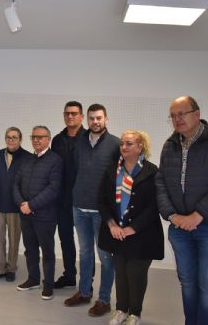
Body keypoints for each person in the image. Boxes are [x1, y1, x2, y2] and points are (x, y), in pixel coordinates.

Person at [155, 96, 208, 325]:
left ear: (197, 113)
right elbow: (160, 182)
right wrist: (172, 215)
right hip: (180, 227)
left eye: (182, 113)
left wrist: (197, 215)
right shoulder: (170, 144)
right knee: (188, 282)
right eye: (173, 115)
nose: (177, 119)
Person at [98, 131, 163, 325]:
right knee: (121, 272)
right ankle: (120, 310)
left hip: (142, 234)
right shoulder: (112, 170)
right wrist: (111, 225)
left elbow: (155, 205)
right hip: (117, 233)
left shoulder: (152, 171)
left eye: (129, 144)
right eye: (122, 144)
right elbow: (102, 201)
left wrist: (133, 228)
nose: (124, 147)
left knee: (136, 274)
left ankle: (135, 313)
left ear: (140, 146)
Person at [65, 103, 120, 317]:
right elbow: (74, 172)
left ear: (106, 119)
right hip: (79, 207)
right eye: (91, 118)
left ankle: (104, 299)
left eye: (99, 118)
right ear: (86, 120)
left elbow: (118, 178)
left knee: (106, 256)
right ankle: (84, 292)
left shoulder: (116, 144)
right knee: (85, 253)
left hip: (102, 212)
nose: (95, 122)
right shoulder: (78, 143)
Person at [13, 126, 63, 301]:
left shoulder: (55, 160)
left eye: (40, 137)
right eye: (33, 137)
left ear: (48, 139)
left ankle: (48, 285)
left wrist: (31, 205)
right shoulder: (27, 160)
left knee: (47, 252)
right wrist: (21, 203)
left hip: (45, 216)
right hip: (25, 214)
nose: (36, 140)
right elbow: (15, 184)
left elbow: (53, 189)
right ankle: (33, 279)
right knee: (30, 249)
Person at [0, 126, 32, 283]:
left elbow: (27, 181)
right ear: (5, 139)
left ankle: (11, 268)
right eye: (8, 137)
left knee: (14, 238)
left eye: (14, 137)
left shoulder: (27, 157)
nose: (11, 140)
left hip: (16, 205)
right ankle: (0, 268)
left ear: (20, 139)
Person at [51, 100, 85, 289]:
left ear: (81, 116)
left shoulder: (89, 138)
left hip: (83, 201)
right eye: (67, 113)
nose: (70, 116)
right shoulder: (57, 140)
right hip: (62, 201)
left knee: (86, 244)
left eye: (74, 113)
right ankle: (70, 275)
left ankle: (86, 281)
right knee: (66, 240)